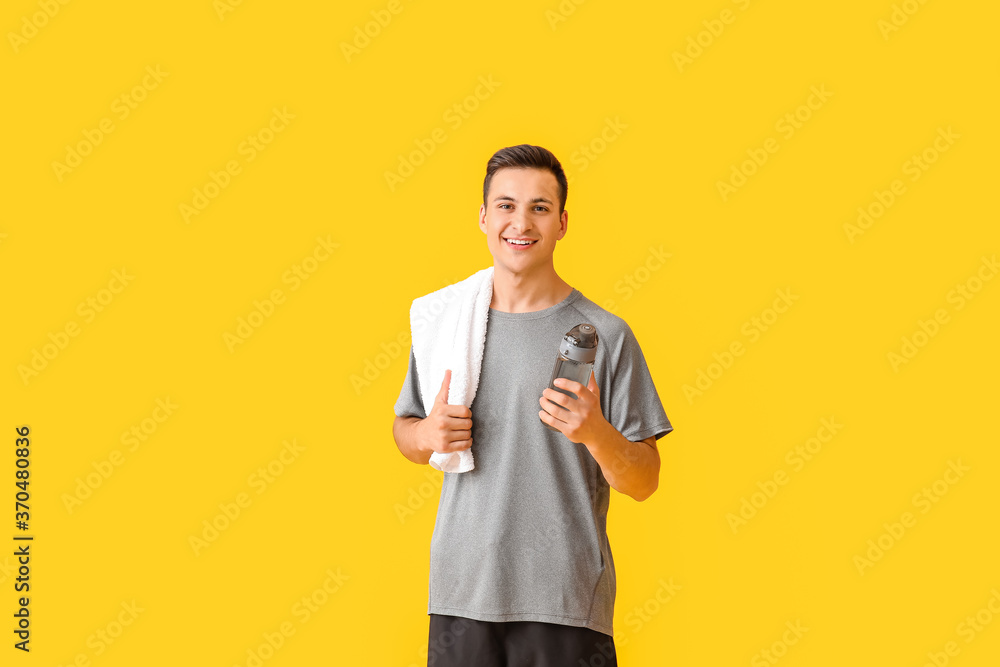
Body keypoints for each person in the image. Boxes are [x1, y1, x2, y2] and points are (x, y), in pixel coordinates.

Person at [392, 144, 673, 666]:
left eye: (539, 207)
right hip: (461, 597)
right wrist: (426, 436)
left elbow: (645, 479)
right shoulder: (447, 324)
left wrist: (596, 434)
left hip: (566, 605)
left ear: (562, 222)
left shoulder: (605, 336)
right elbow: (405, 429)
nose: (521, 221)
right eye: (505, 205)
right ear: (482, 217)